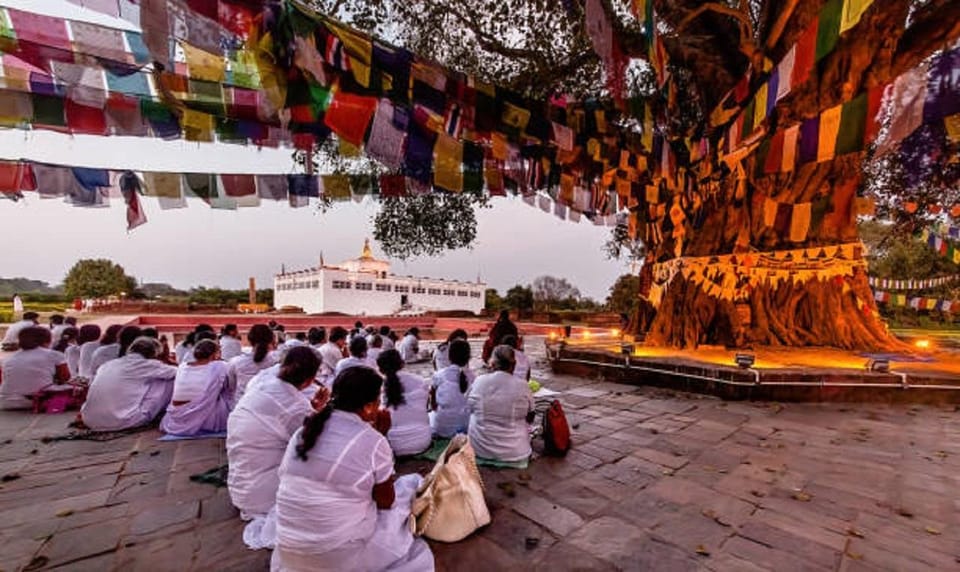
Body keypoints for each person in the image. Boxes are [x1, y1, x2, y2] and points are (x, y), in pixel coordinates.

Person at [272, 367, 433, 572]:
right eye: (378, 401)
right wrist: (381, 436)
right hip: (334, 557)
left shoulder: (303, 433)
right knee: (409, 491)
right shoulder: (373, 441)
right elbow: (386, 501)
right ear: (368, 406)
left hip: (290, 551)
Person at [227, 347, 328, 549]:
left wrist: (312, 410)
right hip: (263, 494)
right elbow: (313, 448)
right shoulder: (296, 406)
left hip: (240, 484)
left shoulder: (262, 384)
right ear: (310, 380)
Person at [80, 337, 178, 431]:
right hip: (122, 421)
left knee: (156, 377)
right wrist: (167, 360)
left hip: (89, 420)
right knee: (168, 380)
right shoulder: (148, 365)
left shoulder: (108, 364)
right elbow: (179, 372)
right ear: (153, 354)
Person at [467, 345, 534, 462]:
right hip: (516, 451)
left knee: (474, 416)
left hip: (480, 449)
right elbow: (530, 415)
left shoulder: (479, 381)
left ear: (492, 363)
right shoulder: (522, 385)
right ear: (513, 365)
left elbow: (469, 408)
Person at [161, 339, 232, 436]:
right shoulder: (220, 366)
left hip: (175, 419)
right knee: (230, 392)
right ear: (214, 354)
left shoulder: (182, 366)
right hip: (206, 421)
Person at [0, 327, 71, 410]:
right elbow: (65, 378)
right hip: (37, 401)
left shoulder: (8, 358)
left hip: (5, 402)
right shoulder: (54, 354)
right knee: (75, 387)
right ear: (47, 340)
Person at [378, 349, 431, 456]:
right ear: (402, 364)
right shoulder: (421, 381)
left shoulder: (380, 387)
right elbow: (425, 408)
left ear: (381, 370)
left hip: (393, 446)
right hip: (423, 441)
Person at [429, 339, 474, 437]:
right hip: (467, 426)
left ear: (449, 357)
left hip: (443, 428)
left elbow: (433, 404)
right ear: (468, 357)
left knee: (430, 415)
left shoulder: (439, 375)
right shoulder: (473, 377)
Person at [228, 324, 279, 400]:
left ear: (249, 339)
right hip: (268, 404)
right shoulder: (276, 360)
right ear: (271, 339)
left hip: (241, 404)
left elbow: (231, 386)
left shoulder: (235, 362)